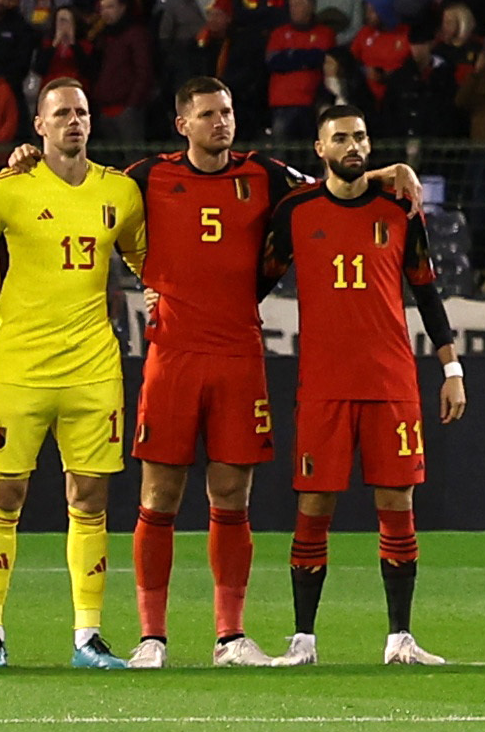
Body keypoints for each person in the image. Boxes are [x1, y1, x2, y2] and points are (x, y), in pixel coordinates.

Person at [0, 75, 141, 669]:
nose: (74, 121)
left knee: (90, 498)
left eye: (82, 112)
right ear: (39, 125)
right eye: (61, 113)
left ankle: (88, 635)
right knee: (4, 492)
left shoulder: (122, 193)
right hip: (17, 365)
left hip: (92, 367)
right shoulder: (4, 191)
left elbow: (149, 261)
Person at [274, 104, 462, 666]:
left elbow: (427, 292)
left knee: (397, 501)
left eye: (359, 137)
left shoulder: (400, 211)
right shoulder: (296, 211)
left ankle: (399, 638)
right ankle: (303, 639)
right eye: (340, 138)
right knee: (314, 506)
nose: (353, 146)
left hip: (391, 380)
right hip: (324, 384)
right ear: (320, 149)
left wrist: (451, 370)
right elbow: (253, 278)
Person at [127, 78, 283, 667]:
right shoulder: (147, 178)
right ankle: (151, 638)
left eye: (228, 111)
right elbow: (90, 206)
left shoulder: (264, 175)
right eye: (208, 114)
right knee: (159, 495)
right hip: (174, 356)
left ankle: (229, 636)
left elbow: (332, 192)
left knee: (232, 495)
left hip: (239, 354)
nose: (221, 122)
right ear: (182, 124)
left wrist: (385, 174)